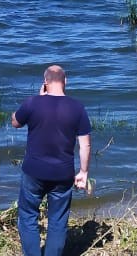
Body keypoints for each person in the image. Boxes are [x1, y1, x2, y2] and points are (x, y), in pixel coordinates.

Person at [11, 65, 91, 256]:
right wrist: (83, 172)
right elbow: (85, 144)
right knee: (58, 221)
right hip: (63, 174)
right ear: (66, 81)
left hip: (34, 172)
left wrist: (39, 98)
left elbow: (15, 122)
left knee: (28, 215)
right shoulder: (78, 108)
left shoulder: (32, 103)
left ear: (45, 82)